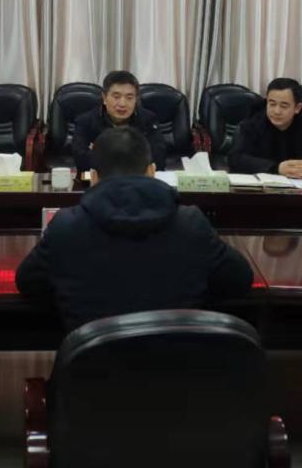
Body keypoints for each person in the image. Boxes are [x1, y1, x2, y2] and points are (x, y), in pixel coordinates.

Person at [16, 125, 253, 331]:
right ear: (151, 171)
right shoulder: (191, 223)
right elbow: (240, 279)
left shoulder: (66, 226)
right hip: (177, 364)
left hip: (92, 366)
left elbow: (28, 283)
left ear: (94, 177)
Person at [228, 77, 302, 176]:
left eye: (284, 106)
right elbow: (235, 158)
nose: (276, 111)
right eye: (272, 104)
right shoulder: (251, 125)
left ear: (297, 108)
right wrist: (276, 168)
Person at [70, 70, 167, 173]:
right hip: (101, 180)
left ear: (136, 99)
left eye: (129, 98)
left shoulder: (149, 120)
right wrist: (135, 156)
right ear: (104, 98)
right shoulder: (85, 122)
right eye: (116, 97)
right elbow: (81, 161)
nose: (122, 104)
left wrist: (102, 153)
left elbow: (159, 158)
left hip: (138, 178)